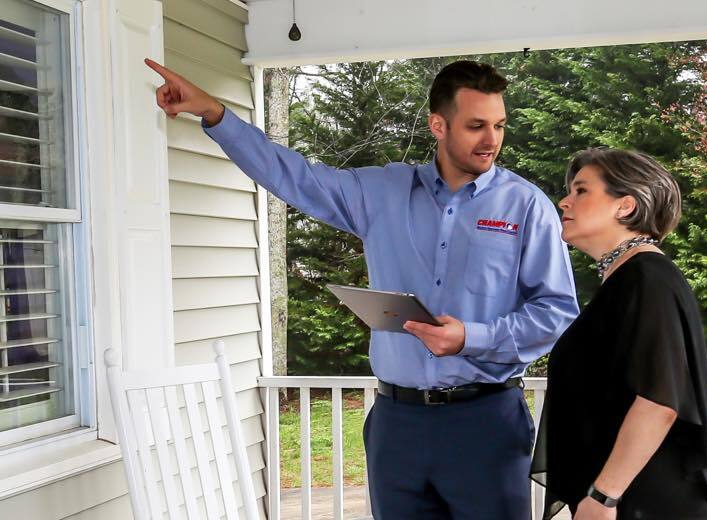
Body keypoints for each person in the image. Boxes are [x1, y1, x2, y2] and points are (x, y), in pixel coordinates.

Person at [146, 58, 579, 519]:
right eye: (476, 126)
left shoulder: (526, 205)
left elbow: (557, 312)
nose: (492, 139)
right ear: (438, 124)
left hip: (485, 423)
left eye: (499, 125)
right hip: (397, 425)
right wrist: (215, 113)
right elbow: (295, 177)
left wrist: (471, 337)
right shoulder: (381, 192)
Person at [530, 148, 707, 520]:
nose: (564, 201)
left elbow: (660, 402)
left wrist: (603, 497)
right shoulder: (627, 279)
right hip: (628, 497)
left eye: (581, 190)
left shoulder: (647, 279)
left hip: (642, 501)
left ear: (624, 206)